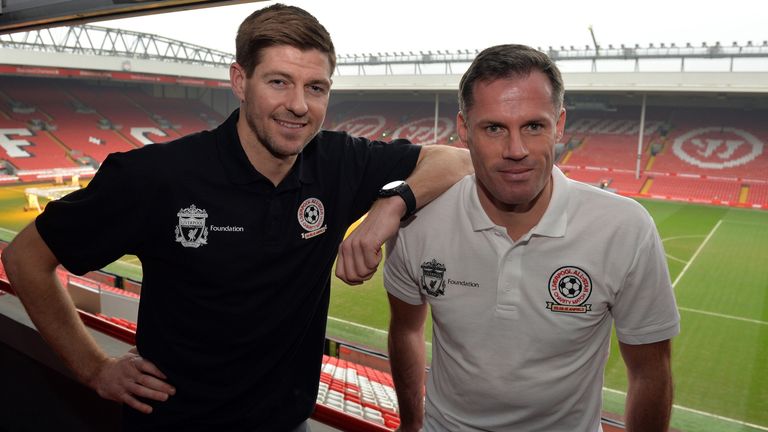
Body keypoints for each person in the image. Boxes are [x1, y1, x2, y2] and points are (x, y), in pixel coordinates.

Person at [1, 4, 472, 431]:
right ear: (239, 80)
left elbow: (458, 161)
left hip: (287, 424)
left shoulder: (340, 162)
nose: (299, 105)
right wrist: (94, 367)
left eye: (316, 88)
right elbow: (26, 258)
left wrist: (391, 204)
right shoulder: (155, 176)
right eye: (278, 81)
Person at [384, 44, 680, 432]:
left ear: (559, 125)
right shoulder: (418, 220)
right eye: (494, 128)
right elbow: (405, 328)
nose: (516, 150)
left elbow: (650, 372)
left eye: (534, 126)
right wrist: (410, 424)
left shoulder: (625, 229)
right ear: (463, 129)